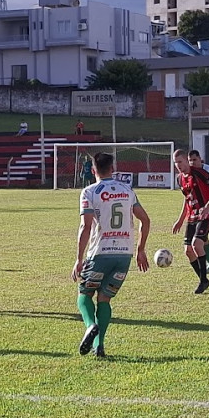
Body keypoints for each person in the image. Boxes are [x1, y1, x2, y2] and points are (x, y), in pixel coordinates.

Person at [71, 152, 150, 358]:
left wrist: (79, 259)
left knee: (84, 294)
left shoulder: (89, 192)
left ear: (93, 170)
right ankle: (99, 346)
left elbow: (85, 226)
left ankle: (90, 325)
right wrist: (140, 249)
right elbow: (145, 220)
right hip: (124, 255)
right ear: (112, 169)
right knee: (104, 298)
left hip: (100, 253)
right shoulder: (127, 190)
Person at [172, 148, 209, 294]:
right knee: (188, 250)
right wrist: (180, 220)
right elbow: (187, 199)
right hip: (192, 216)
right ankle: (203, 279)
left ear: (186, 160)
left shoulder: (200, 173)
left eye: (180, 162)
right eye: (175, 163)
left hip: (206, 215)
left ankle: (203, 280)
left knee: (197, 244)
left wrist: (208, 207)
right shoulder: (179, 179)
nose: (178, 165)